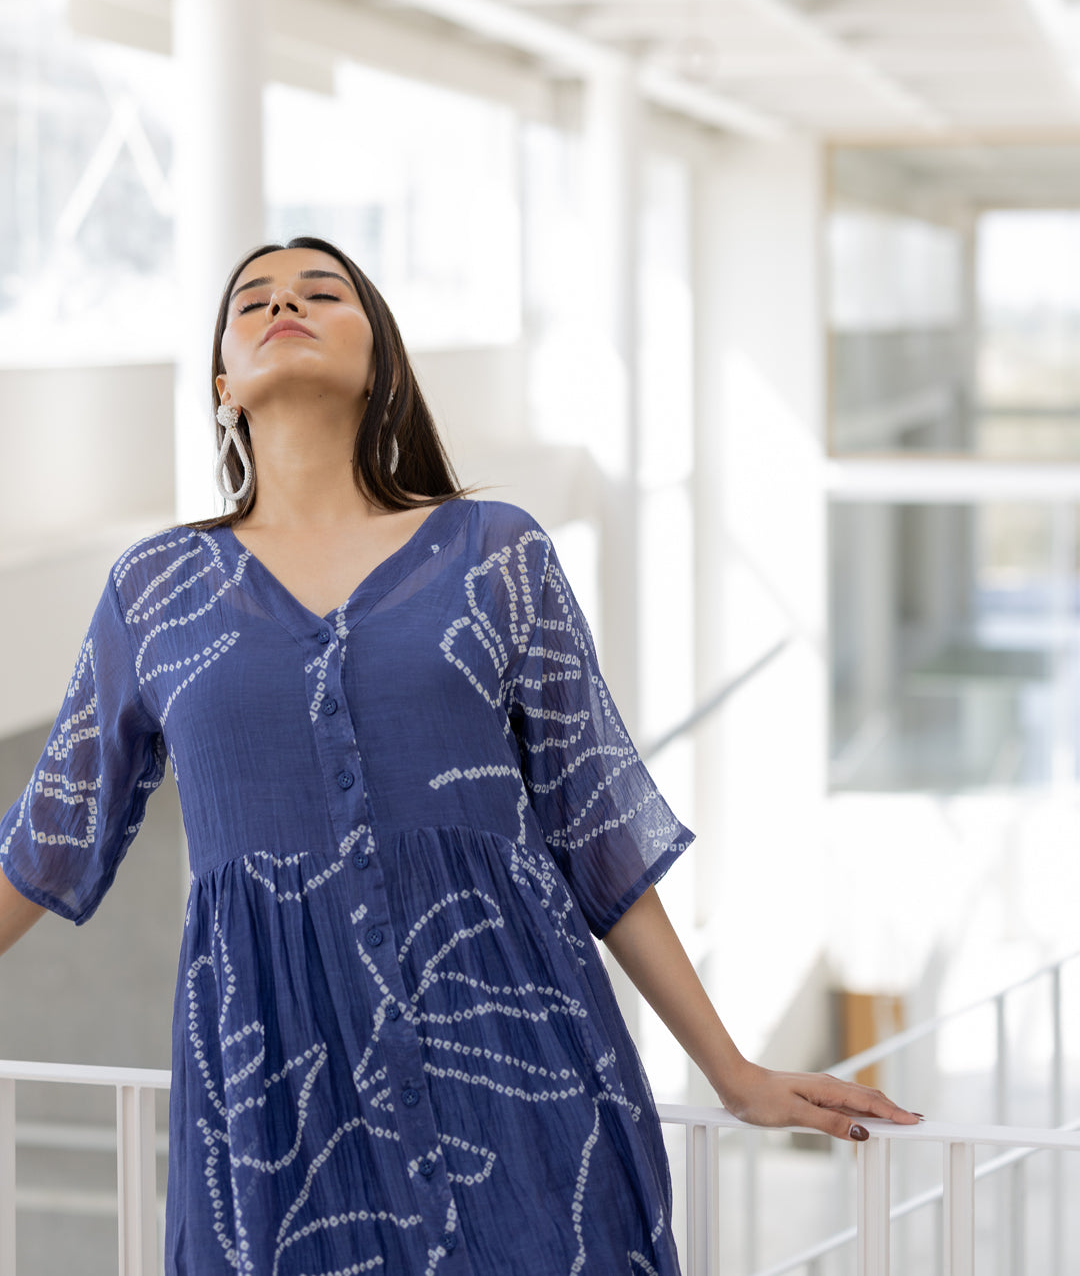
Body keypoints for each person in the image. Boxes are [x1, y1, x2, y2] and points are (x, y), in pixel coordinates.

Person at [0, 236, 918, 1274]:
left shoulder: (494, 552)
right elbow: (48, 838)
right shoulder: (156, 589)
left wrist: (732, 1069)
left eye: (320, 291)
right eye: (251, 298)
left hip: (519, 1065)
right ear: (223, 382)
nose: (282, 303)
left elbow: (597, 837)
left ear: (380, 359)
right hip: (278, 1102)